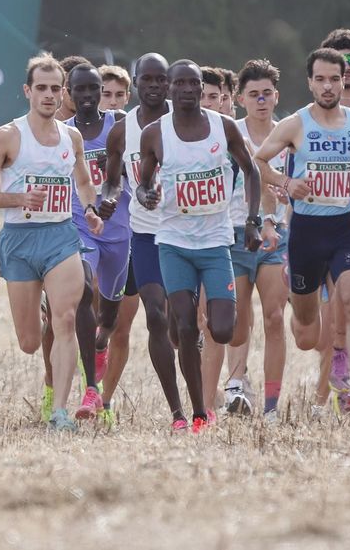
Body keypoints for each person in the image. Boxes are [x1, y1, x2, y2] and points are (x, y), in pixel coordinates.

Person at [255, 47, 350, 413]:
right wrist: (287, 183)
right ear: (309, 82)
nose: (327, 86)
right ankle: (306, 313)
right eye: (320, 79)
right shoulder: (294, 124)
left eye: (334, 79)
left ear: (345, 81)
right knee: (308, 335)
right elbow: (258, 161)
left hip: (344, 226)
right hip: (306, 231)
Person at [136, 60, 267, 432]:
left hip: (214, 243)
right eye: (181, 83)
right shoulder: (155, 134)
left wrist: (253, 221)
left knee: (223, 329)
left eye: (195, 83)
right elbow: (145, 183)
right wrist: (149, 194)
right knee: (185, 325)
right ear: (170, 89)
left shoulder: (222, 128)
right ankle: (196, 413)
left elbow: (251, 169)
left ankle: (197, 380)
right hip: (173, 243)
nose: (189, 90)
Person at [0, 54, 97, 432]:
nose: (48, 95)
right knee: (29, 341)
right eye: (40, 88)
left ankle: (60, 412)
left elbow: (82, 181)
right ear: (28, 91)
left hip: (61, 236)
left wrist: (91, 209)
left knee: (66, 319)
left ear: (63, 93)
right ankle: (44, 312)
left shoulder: (71, 136)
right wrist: (17, 199)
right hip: (19, 239)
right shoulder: (8, 136)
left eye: (54, 88)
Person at [99, 54, 181, 425]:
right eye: (146, 79)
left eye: (160, 79)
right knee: (156, 317)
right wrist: (110, 198)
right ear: (137, 82)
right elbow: (113, 180)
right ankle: (176, 410)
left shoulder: (188, 123)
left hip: (186, 234)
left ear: (169, 83)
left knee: (181, 325)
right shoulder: (122, 130)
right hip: (145, 233)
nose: (153, 85)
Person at [62, 63, 130, 422]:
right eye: (81, 90)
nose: (88, 96)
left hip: (120, 230)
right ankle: (90, 388)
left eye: (94, 89)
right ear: (68, 94)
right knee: (84, 290)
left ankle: (101, 342)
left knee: (110, 313)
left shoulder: (119, 125)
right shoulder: (63, 133)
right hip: (81, 225)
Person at [227, 59, 290, 420]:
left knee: (275, 317)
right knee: (237, 317)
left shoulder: (289, 134)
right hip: (234, 233)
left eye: (267, 93)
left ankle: (271, 404)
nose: (261, 100)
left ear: (276, 95)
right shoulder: (229, 133)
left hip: (276, 237)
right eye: (254, 94)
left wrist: (288, 196)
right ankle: (236, 385)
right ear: (240, 99)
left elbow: (299, 184)